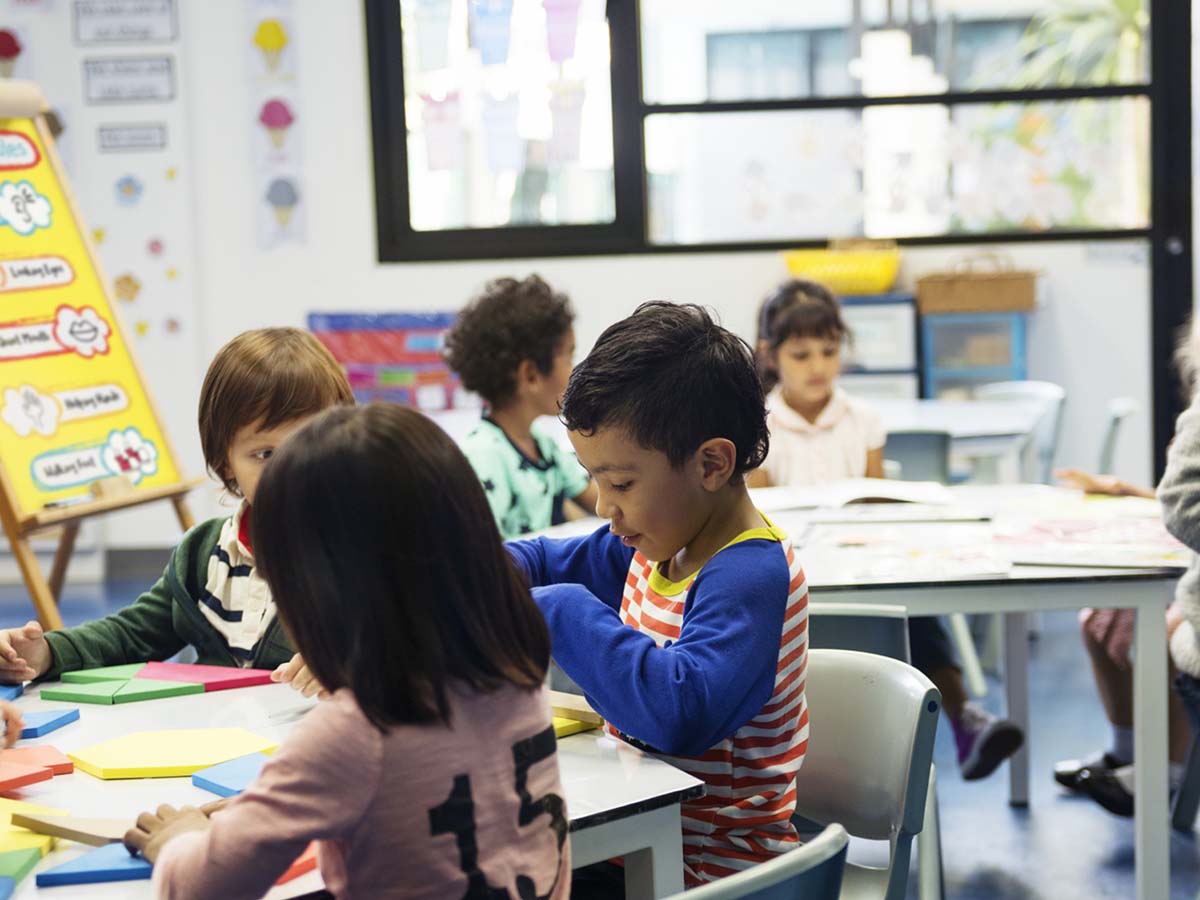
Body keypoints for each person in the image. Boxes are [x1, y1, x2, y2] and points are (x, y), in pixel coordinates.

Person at [125, 403, 570, 900]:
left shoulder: (354, 734)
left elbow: (199, 888)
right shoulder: (515, 674)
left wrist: (178, 840)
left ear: (318, 593)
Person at [509, 302, 808, 892]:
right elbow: (540, 560)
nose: (603, 506)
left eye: (620, 483)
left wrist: (561, 609)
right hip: (639, 844)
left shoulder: (750, 575)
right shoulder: (658, 541)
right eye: (594, 479)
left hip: (712, 874)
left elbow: (682, 711)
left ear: (711, 464)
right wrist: (463, 575)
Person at [750, 279, 1023, 780]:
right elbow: (762, 512)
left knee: (913, 608)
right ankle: (958, 720)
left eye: (829, 352)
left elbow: (880, 503)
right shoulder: (761, 424)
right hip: (795, 579)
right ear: (772, 356)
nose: (818, 366)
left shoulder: (863, 418)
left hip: (860, 564)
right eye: (802, 354)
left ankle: (964, 719)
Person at [0, 329, 353, 696]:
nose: (291, 468)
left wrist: (347, 664)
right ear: (226, 462)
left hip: (311, 741)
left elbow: (403, 645)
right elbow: (130, 635)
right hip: (215, 741)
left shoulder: (360, 552)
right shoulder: (202, 554)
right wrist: (45, 653)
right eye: (265, 454)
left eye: (310, 442)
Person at [443, 275, 597, 538]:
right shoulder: (484, 456)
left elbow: (604, 503)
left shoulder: (545, 448)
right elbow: (486, 553)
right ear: (531, 376)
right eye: (569, 356)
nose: (575, 370)